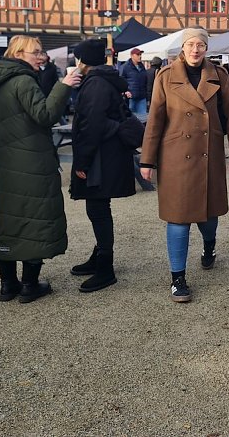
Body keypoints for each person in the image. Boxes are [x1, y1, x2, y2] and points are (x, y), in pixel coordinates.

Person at [139, 28, 229, 303]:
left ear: (206, 48)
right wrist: (146, 160)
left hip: (208, 152)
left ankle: (209, 247)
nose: (195, 49)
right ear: (183, 47)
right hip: (175, 155)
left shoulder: (218, 76)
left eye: (200, 45)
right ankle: (178, 279)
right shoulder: (165, 77)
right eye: (190, 45)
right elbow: (155, 120)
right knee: (178, 218)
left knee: (208, 218)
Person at [0, 34, 81, 302]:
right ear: (18, 54)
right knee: (35, 217)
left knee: (9, 218)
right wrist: (64, 85)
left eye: (41, 52)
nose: (41, 57)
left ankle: (8, 284)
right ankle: (29, 284)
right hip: (32, 160)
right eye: (35, 52)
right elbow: (45, 115)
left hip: (8, 160)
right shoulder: (24, 80)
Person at [68, 39, 136, 293]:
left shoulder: (95, 83)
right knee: (97, 207)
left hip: (100, 157)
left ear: (82, 60)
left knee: (98, 208)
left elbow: (91, 125)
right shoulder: (104, 79)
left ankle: (105, 268)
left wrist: (81, 162)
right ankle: (99, 257)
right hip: (107, 154)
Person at [120, 48, 148, 115]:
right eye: (138, 54)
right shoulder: (125, 67)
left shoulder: (142, 66)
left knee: (143, 118)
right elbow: (120, 80)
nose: (140, 56)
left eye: (140, 54)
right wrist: (126, 91)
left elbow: (145, 80)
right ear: (132, 55)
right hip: (131, 98)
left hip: (142, 97)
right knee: (131, 118)